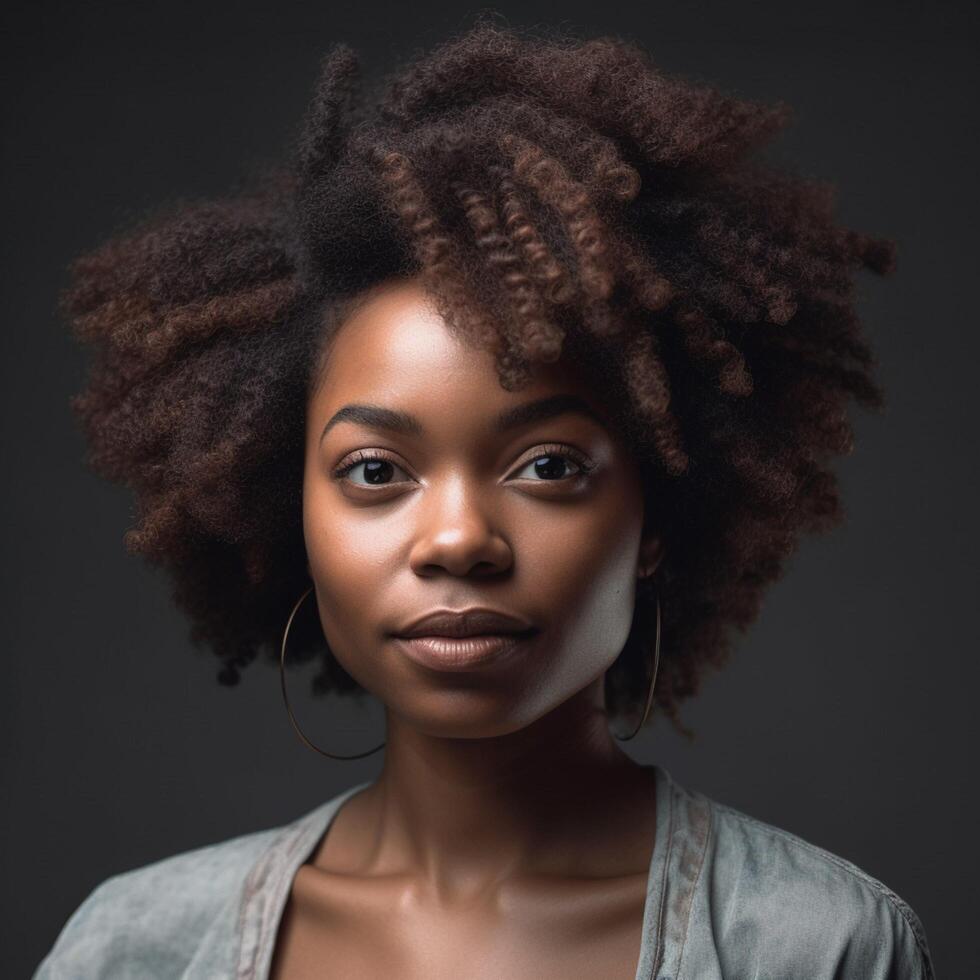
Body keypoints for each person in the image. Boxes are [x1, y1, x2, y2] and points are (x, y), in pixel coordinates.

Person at [34, 17, 935, 980]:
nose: (459, 539)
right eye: (376, 472)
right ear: (286, 508)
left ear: (657, 520)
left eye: (547, 466)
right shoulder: (134, 949)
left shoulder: (818, 946)